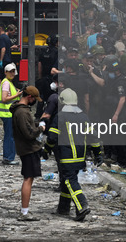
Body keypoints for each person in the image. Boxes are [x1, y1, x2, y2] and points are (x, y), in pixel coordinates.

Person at [47, 88, 101, 221]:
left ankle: (82, 205)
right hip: (80, 157)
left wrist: (46, 149)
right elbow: (93, 137)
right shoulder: (84, 116)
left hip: (66, 156)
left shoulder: (60, 116)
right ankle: (63, 208)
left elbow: (52, 137)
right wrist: (98, 153)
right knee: (68, 181)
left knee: (70, 181)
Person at [11, 86, 45, 221]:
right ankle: (24, 212)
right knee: (28, 178)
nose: (34, 102)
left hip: (24, 148)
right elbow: (29, 134)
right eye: (34, 99)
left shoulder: (19, 110)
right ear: (29, 97)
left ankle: (25, 210)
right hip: (29, 149)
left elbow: (27, 127)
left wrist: (35, 123)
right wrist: (40, 129)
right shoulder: (23, 113)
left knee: (28, 178)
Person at [0, 63, 23, 165]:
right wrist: (17, 95)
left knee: (9, 135)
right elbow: (4, 99)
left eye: (13, 71)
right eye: (10, 71)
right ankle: (9, 157)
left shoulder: (7, 82)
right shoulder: (7, 83)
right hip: (7, 114)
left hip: (8, 113)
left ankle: (8, 156)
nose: (12, 73)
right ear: (5, 72)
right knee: (10, 136)